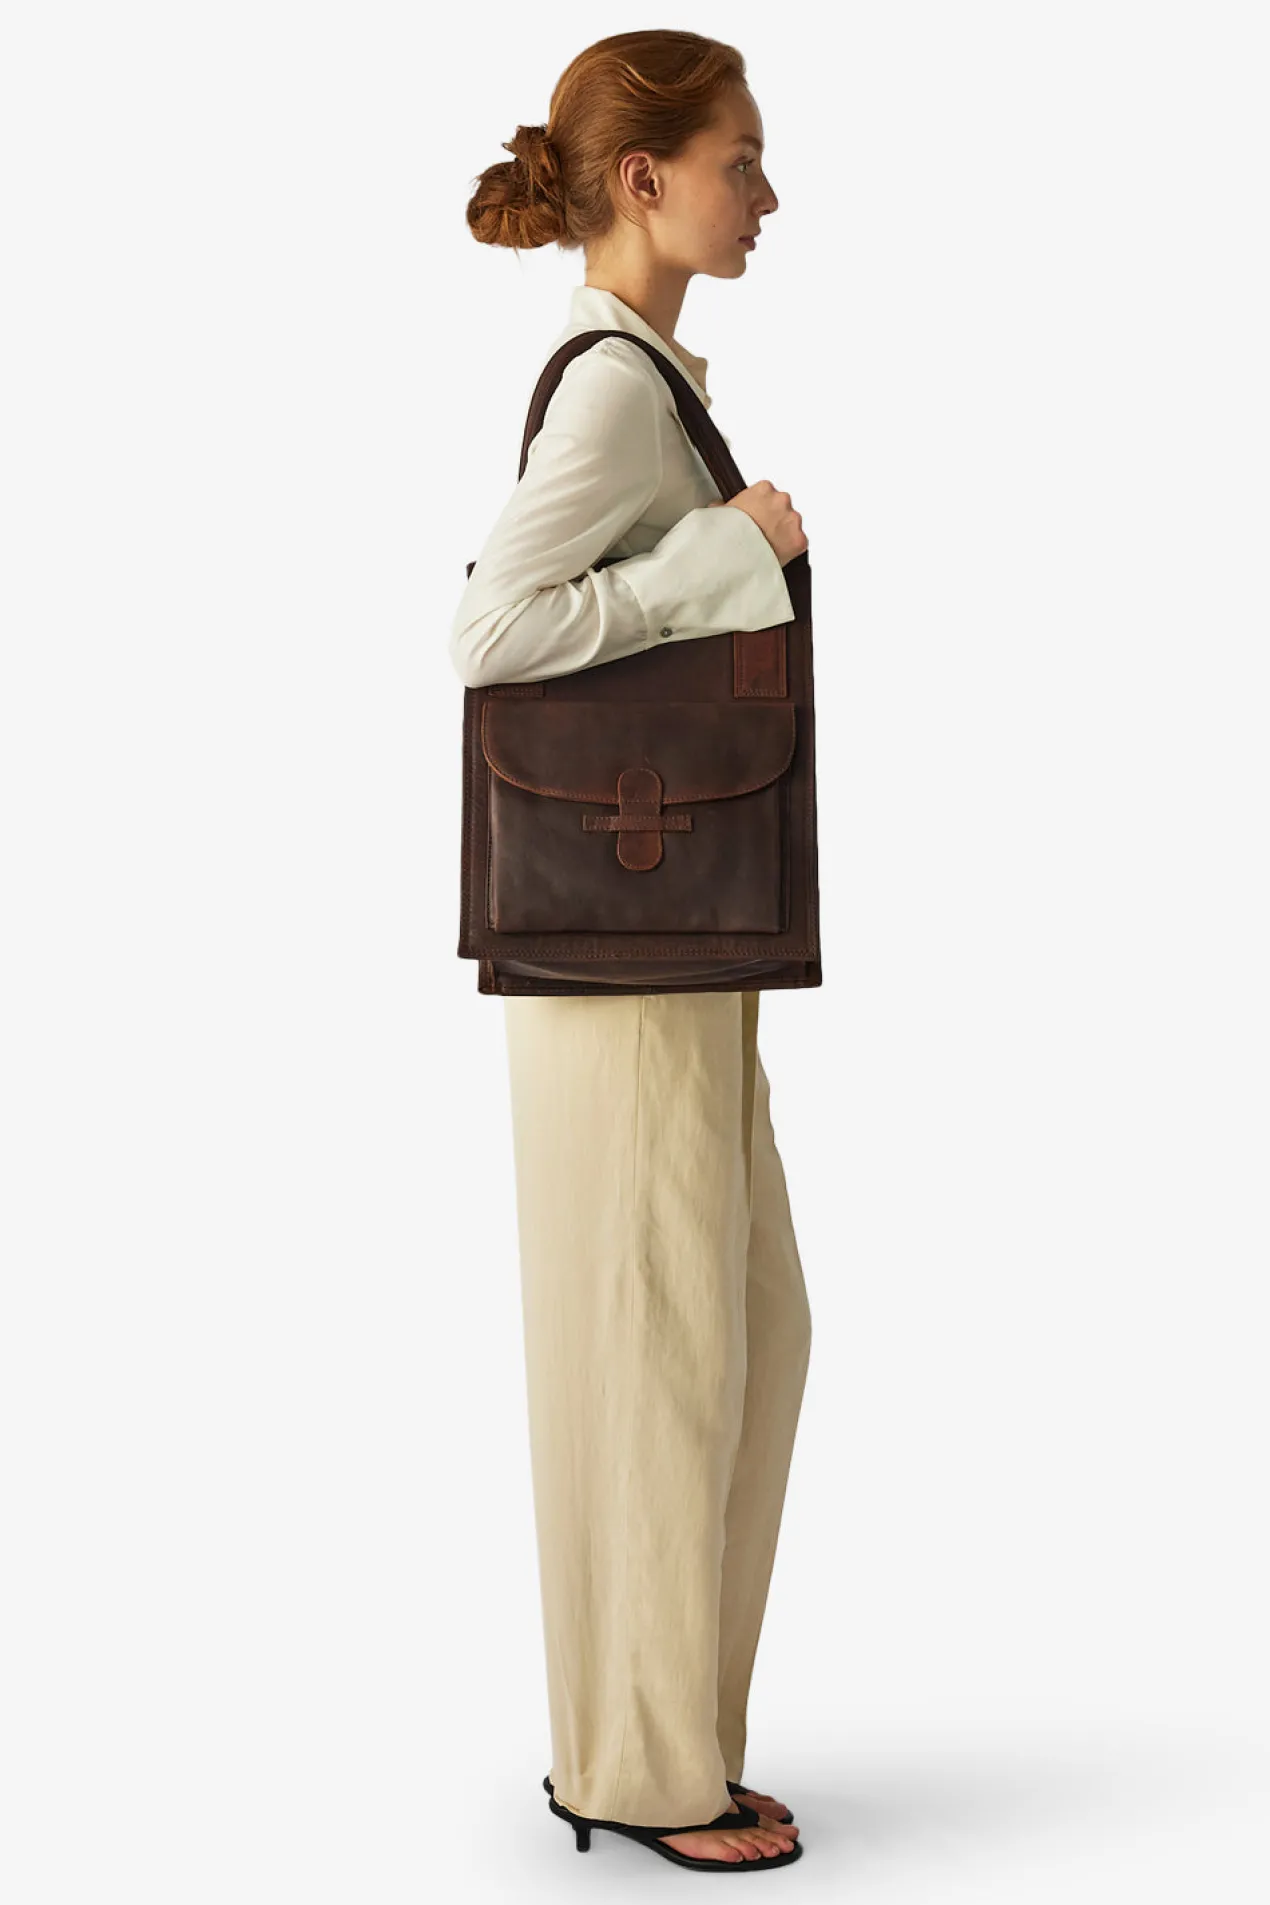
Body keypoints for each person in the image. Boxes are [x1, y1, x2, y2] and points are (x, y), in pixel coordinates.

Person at [451, 30, 813, 1872]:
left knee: (734, 1330)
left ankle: (657, 1737)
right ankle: (641, 1772)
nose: (768, 194)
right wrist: (727, 557)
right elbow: (489, 631)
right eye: (741, 161)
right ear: (645, 179)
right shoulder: (612, 391)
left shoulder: (652, 382)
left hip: (662, 950)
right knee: (665, 1349)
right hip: (629, 961)